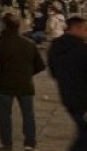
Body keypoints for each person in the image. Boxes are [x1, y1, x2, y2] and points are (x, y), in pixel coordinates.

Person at [0, 13, 44, 151]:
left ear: (3, 25)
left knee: (4, 115)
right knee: (28, 115)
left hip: (3, 84)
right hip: (25, 84)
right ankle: (29, 144)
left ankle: (6, 143)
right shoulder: (29, 43)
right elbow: (40, 66)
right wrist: (27, 73)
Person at [48, 15, 87, 151]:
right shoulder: (82, 50)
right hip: (83, 99)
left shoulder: (55, 47)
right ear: (76, 28)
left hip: (68, 97)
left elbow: (53, 73)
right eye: (85, 29)